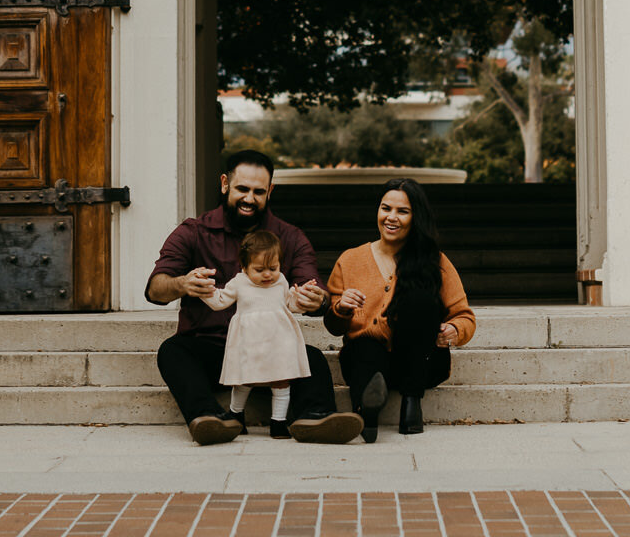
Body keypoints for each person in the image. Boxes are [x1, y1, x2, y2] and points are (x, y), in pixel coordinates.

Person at [146, 149, 363, 446]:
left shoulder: (290, 237)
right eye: (242, 189)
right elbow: (155, 288)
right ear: (225, 184)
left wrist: (318, 300)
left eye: (259, 192)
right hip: (215, 350)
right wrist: (182, 284)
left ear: (270, 191)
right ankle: (211, 419)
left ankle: (314, 417)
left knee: (312, 358)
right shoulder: (193, 231)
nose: (249, 198)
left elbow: (315, 290)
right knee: (172, 351)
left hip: (273, 351)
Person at [324, 177, 475, 441]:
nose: (391, 217)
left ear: (415, 217)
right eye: (386, 208)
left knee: (420, 301)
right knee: (364, 344)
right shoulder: (350, 260)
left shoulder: (434, 261)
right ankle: (366, 412)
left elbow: (465, 316)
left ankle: (411, 402)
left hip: (420, 359)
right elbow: (334, 328)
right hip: (368, 361)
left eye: (402, 211)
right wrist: (341, 309)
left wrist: (453, 329)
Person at [203, 228, 311, 439]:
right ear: (244, 267)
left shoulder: (281, 281)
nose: (268, 274)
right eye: (259, 269)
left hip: (279, 341)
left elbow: (290, 304)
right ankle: (236, 415)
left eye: (273, 267)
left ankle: (278, 422)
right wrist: (204, 289)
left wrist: (299, 298)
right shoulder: (239, 282)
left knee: (282, 380)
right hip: (249, 342)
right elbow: (219, 301)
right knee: (244, 380)